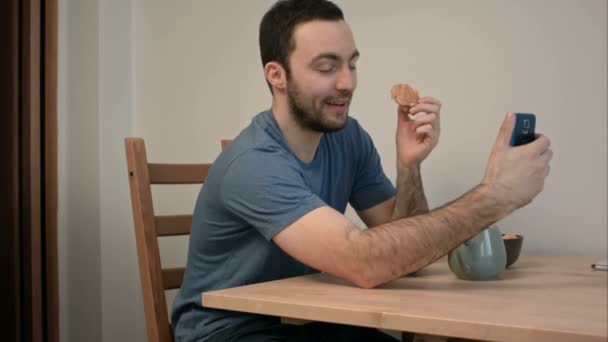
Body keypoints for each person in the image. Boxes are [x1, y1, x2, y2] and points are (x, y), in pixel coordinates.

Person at [171, 0, 553, 341]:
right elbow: (365, 263)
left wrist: (409, 166)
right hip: (232, 329)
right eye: (327, 66)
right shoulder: (254, 163)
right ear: (277, 75)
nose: (347, 82)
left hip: (310, 321)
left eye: (351, 63)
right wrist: (495, 196)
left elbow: (406, 259)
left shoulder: (347, 137)